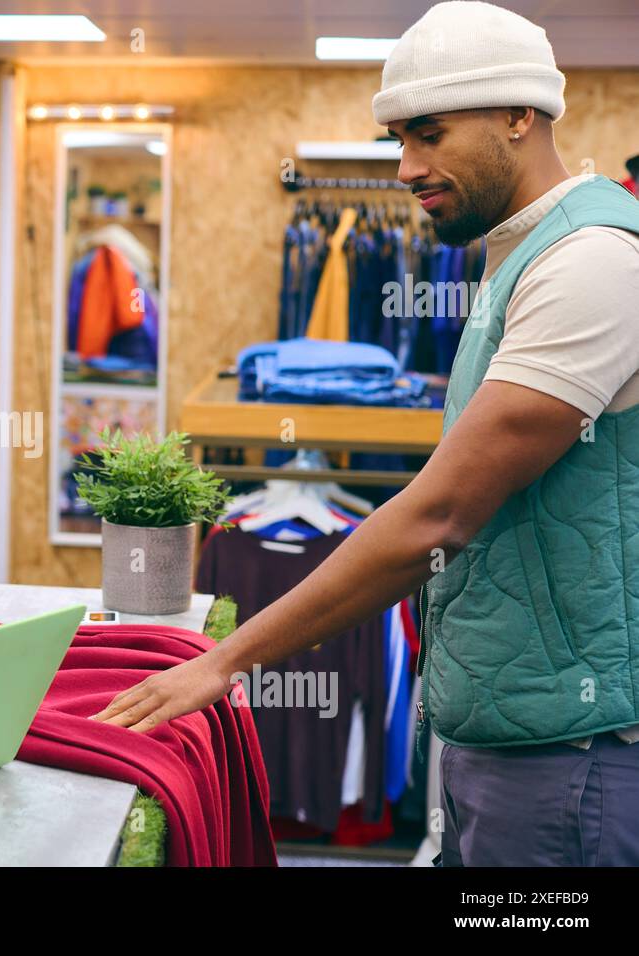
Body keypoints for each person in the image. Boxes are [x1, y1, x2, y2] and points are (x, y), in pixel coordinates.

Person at [93, 0, 639, 866]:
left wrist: (224, 661)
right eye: (397, 141)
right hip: (515, 738)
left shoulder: (593, 263)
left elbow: (439, 517)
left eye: (427, 134)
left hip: (570, 759)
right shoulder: (518, 255)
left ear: (517, 116)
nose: (405, 166)